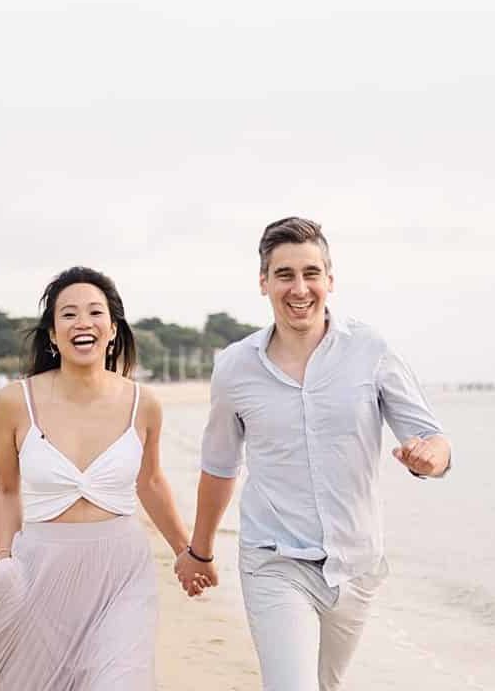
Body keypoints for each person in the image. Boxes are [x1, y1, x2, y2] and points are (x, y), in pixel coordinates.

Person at [175, 217, 452, 691]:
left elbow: (434, 439)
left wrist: (430, 459)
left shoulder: (370, 349)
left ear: (330, 280)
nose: (299, 288)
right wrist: (199, 552)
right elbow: (220, 466)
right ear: (263, 283)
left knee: (327, 685)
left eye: (310, 273)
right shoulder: (236, 367)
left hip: (356, 564)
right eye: (284, 275)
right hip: (274, 559)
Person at [0, 266, 204, 690]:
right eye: (69, 314)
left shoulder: (144, 403)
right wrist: (4, 558)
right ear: (53, 335)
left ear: (112, 330)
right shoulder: (14, 403)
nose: (83, 323)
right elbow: (6, 490)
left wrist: (186, 552)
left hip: (122, 573)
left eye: (95, 313)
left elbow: (150, 482)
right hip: (41, 568)